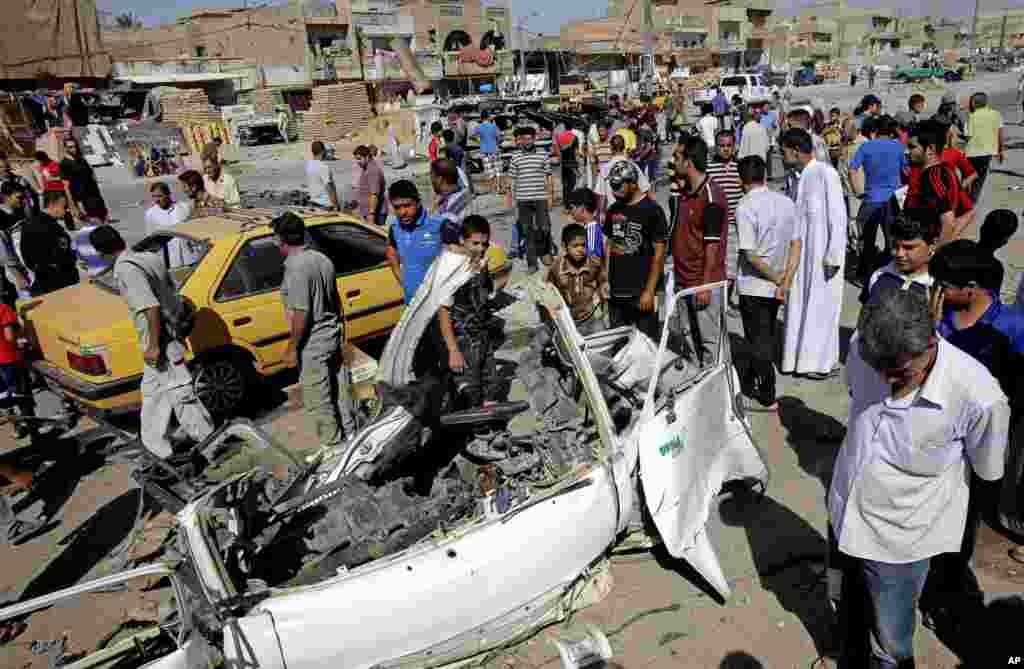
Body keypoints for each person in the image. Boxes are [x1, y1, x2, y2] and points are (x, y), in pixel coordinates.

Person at [831, 285, 1009, 669]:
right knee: (849, 606)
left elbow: (987, 469)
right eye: (877, 370)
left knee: (891, 643)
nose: (885, 381)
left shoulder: (978, 396)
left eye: (898, 374)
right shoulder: (867, 347)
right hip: (844, 510)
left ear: (930, 344)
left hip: (900, 540)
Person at [922, 240, 1024, 636]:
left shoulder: (1011, 328)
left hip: (982, 445)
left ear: (973, 287)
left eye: (944, 285)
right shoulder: (941, 316)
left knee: (962, 525)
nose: (937, 292)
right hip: (938, 440)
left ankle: (945, 596)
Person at [90, 226, 215, 463]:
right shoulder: (148, 257)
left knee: (181, 395)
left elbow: (151, 307)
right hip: (166, 336)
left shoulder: (127, 269)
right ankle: (157, 449)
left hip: (161, 343)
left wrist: (154, 346)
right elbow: (170, 291)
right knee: (153, 395)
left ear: (102, 252)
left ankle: (211, 444)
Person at [274, 212, 354, 462]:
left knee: (318, 397)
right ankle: (351, 436)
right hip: (332, 333)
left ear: (280, 240)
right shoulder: (322, 259)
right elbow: (336, 300)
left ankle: (333, 448)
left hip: (314, 341)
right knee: (339, 390)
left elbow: (301, 312)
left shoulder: (296, 268)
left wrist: (291, 348)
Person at [779, 128, 847, 380]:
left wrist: (834, 255)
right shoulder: (796, 177)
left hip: (823, 258)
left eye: (783, 151)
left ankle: (820, 363)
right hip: (801, 256)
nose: (781, 156)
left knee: (822, 309)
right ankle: (797, 361)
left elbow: (838, 217)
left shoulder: (825, 173)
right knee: (799, 306)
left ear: (795, 151)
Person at [734, 155, 799, 411]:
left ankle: (767, 394)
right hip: (778, 284)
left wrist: (776, 278)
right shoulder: (785, 202)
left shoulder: (745, 207)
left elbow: (750, 255)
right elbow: (796, 243)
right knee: (766, 332)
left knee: (759, 340)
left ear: (742, 180)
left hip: (755, 285)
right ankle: (752, 376)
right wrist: (786, 279)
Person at [670, 136, 726, 367]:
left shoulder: (711, 197)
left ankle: (718, 395)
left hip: (703, 284)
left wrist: (704, 285)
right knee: (689, 341)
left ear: (689, 162)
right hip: (684, 282)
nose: (674, 162)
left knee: (711, 345)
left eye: (678, 157)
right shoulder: (684, 195)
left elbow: (712, 245)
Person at [438, 215, 503, 406]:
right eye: (475, 243)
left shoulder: (481, 265)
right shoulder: (451, 269)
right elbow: (443, 313)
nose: (480, 249)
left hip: (483, 337)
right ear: (462, 240)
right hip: (463, 341)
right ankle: (477, 429)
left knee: (491, 386)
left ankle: (490, 426)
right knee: (471, 391)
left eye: (484, 244)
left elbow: (485, 298)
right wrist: (452, 350)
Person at [604, 160, 667, 343]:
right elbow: (610, 244)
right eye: (611, 186)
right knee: (619, 344)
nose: (614, 191)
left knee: (646, 344)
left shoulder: (652, 211)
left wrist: (649, 290)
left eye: (618, 186)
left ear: (633, 184)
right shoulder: (613, 210)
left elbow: (659, 254)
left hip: (641, 292)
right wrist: (605, 279)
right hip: (617, 291)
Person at [850, 114, 907, 283]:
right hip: (893, 199)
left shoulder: (866, 147)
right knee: (893, 240)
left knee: (867, 240)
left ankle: (864, 274)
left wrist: (857, 191)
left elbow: (852, 170)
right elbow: (907, 171)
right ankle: (892, 275)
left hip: (871, 198)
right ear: (891, 131)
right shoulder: (898, 147)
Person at [904, 120, 974, 243]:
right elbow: (969, 212)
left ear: (930, 149)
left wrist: (935, 250)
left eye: (912, 147)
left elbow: (948, 221)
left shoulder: (931, 177)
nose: (906, 152)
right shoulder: (946, 170)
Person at [385, 179, 444, 304]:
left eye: (407, 205)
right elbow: (391, 252)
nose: (402, 212)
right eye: (397, 207)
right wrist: (404, 282)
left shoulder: (438, 225)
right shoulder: (394, 229)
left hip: (439, 304)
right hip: (412, 303)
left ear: (418, 202)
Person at [547, 223, 609, 336]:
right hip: (568, 322)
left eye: (583, 245)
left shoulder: (594, 264)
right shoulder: (556, 268)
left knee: (601, 340)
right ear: (564, 246)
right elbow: (547, 291)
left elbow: (604, 285)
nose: (580, 250)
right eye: (575, 246)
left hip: (592, 319)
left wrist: (604, 309)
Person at [505, 126, 552, 273]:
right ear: (520, 141)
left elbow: (548, 176)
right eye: (524, 139)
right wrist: (509, 198)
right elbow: (511, 179)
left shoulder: (543, 155)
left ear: (534, 139)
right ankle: (532, 263)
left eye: (529, 138)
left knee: (544, 227)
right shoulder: (515, 157)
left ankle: (544, 252)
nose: (526, 141)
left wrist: (550, 195)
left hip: (540, 197)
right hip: (523, 199)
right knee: (527, 231)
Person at [19, 191, 78, 296]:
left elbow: (26, 256)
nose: (66, 210)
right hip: (60, 282)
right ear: (52, 204)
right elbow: (63, 256)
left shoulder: (28, 224)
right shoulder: (53, 228)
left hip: (42, 279)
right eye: (64, 206)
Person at [965, 92, 1005, 204]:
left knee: (969, 176)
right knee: (980, 179)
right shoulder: (996, 114)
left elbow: (968, 137)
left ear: (973, 103)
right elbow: (1000, 134)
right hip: (987, 153)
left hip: (970, 153)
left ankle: (966, 199)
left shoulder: (970, 117)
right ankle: (972, 201)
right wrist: (1001, 151)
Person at [60, 138, 106, 222]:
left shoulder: (81, 160)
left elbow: (91, 173)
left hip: (94, 195)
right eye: (70, 147)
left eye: (75, 146)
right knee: (93, 222)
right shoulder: (64, 164)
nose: (74, 149)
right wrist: (72, 204)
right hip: (82, 198)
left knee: (103, 218)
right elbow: (65, 185)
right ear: (65, 148)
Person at [0, 184, 31, 302]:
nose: (23, 201)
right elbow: (3, 248)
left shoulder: (19, 211)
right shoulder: (2, 217)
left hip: (28, 265)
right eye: (19, 197)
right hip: (18, 271)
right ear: (6, 197)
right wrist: (17, 275)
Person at [976, 209, 1018, 293]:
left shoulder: (958, 247)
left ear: (981, 228)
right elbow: (989, 302)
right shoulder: (995, 269)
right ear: (1005, 241)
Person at [72, 197, 114, 278]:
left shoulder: (78, 235)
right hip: (107, 276)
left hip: (90, 275)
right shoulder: (107, 233)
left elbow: (78, 258)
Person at [432, 158, 470, 247]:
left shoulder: (451, 209)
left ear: (440, 179)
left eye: (432, 177)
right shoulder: (464, 194)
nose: (431, 181)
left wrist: (434, 209)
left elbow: (435, 234)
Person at [354, 145, 386, 226]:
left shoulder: (372, 171)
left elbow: (374, 194)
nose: (357, 162)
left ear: (367, 157)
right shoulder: (367, 168)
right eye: (356, 159)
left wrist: (371, 214)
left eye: (359, 159)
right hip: (369, 212)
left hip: (375, 214)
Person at [567, 187, 604, 258]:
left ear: (582, 207)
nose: (570, 211)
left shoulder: (592, 231)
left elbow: (592, 263)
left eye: (571, 207)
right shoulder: (590, 228)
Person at [473, 111, 502, 194]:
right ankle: (498, 187)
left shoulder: (479, 127)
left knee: (489, 170)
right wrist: (497, 143)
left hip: (484, 150)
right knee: (497, 169)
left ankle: (492, 188)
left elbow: (472, 136)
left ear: (481, 118)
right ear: (488, 117)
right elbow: (499, 138)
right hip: (494, 149)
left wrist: (479, 142)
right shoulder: (493, 126)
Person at [306, 141, 339, 211]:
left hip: (314, 203)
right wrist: (335, 205)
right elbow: (330, 188)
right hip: (325, 205)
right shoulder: (323, 167)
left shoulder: (309, 165)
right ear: (323, 151)